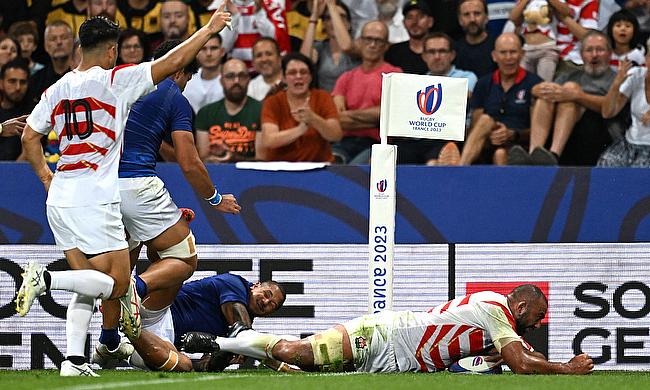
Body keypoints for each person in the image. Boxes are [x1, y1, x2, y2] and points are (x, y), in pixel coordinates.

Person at [17, 6, 232, 377]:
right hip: (95, 197)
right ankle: (44, 279)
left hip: (61, 196)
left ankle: (75, 360)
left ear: (79, 46)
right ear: (112, 50)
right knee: (117, 284)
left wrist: (46, 179)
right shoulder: (118, 81)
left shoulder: (56, 87)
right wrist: (209, 29)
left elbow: (29, 136)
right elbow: (175, 60)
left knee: (89, 282)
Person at [92, 38, 242, 366]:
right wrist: (214, 198)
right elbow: (189, 162)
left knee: (121, 265)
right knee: (184, 256)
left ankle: (107, 343)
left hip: (98, 186)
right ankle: (138, 288)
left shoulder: (119, 77)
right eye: (188, 77)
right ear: (178, 69)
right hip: (136, 183)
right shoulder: (174, 96)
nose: (186, 85)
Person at [181, 284, 594, 375]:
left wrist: (552, 362)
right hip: (383, 333)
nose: (537, 324)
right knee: (296, 353)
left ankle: (248, 363)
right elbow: (522, 363)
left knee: (305, 375)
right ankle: (222, 340)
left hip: (396, 362)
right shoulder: (494, 308)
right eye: (536, 317)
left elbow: (523, 355)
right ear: (520, 306)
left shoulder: (497, 316)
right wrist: (567, 370)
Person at [106, 273, 285, 372]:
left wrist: (222, 358)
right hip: (159, 312)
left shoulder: (236, 334)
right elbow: (240, 326)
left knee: (184, 366)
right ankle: (130, 287)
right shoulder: (235, 283)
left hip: (160, 342)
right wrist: (258, 351)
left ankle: (122, 341)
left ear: (268, 315)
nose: (266, 302)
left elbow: (205, 366)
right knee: (181, 268)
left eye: (272, 305)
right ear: (256, 285)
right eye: (267, 294)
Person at [508, 31, 615, 166]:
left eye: (600, 50)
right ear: (582, 55)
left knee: (570, 90)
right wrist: (536, 91)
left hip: (597, 131)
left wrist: (579, 96)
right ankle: (534, 154)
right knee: (546, 96)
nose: (594, 55)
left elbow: (612, 107)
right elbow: (550, 91)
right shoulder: (569, 75)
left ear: (610, 53)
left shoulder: (616, 79)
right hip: (565, 132)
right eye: (589, 50)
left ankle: (553, 155)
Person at [458, 32, 542, 166]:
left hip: (520, 147)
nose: (508, 58)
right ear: (494, 56)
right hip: (486, 144)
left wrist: (512, 134)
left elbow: (539, 130)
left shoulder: (534, 84)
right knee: (485, 120)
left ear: (522, 54)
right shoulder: (483, 84)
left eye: (513, 52)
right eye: (503, 53)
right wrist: (493, 133)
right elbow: (475, 127)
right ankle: (460, 169)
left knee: (500, 154)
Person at [400, 32, 477, 165]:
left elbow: (461, 100)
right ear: (424, 56)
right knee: (383, 160)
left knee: (433, 163)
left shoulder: (467, 77)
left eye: (442, 51)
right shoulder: (417, 81)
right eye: (431, 52)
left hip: (449, 136)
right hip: (418, 137)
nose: (437, 57)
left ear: (452, 55)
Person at [332, 20, 401, 164]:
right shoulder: (346, 77)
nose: (372, 44)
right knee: (329, 169)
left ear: (386, 46)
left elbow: (390, 115)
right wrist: (374, 121)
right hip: (344, 142)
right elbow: (337, 118)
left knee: (355, 171)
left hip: (378, 145)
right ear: (359, 42)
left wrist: (349, 115)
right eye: (368, 39)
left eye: (378, 40)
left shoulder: (395, 74)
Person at [261, 52, 342, 162]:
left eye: (303, 72)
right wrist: (301, 129)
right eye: (292, 73)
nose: (298, 76)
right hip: (281, 167)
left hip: (318, 166)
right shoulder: (273, 102)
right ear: (283, 78)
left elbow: (336, 135)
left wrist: (313, 119)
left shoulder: (323, 97)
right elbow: (269, 140)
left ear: (310, 77)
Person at [196, 58, 263, 163]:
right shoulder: (205, 113)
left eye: (241, 76)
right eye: (230, 76)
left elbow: (263, 160)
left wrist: (235, 159)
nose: (236, 81)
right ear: (221, 81)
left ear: (248, 79)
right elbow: (203, 158)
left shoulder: (261, 110)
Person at [599, 50, 650, 167]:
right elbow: (607, 112)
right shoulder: (636, 75)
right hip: (629, 144)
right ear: (646, 59)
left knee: (638, 175)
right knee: (605, 166)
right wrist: (616, 85)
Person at [300, 0, 359, 92]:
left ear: (349, 24)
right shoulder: (320, 47)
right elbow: (303, 61)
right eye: (328, 18)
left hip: (353, 102)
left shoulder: (358, 45)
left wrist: (331, 5)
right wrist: (314, 16)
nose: (333, 22)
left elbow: (346, 46)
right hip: (326, 103)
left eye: (341, 17)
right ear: (323, 24)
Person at [509, 0, 569, 82]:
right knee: (523, 85)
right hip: (527, 50)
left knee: (543, 86)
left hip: (547, 49)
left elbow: (566, 11)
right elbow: (513, 17)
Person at [27, 20, 75, 104]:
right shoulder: (35, 81)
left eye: (64, 37)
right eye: (53, 39)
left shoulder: (85, 77)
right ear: (45, 45)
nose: (59, 42)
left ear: (73, 41)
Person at [384, 0, 433, 75]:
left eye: (420, 17)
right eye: (410, 17)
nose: (415, 22)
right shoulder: (393, 52)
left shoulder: (439, 51)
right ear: (404, 23)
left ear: (430, 21)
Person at [183, 34, 225, 114]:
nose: (208, 53)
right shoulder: (187, 81)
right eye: (203, 49)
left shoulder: (232, 80)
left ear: (222, 51)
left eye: (214, 48)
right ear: (196, 52)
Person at [454, 0, 496, 79]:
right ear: (460, 20)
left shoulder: (497, 47)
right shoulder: (454, 50)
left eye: (477, 13)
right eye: (466, 14)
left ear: (486, 17)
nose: (472, 19)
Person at [0, 59, 33, 161]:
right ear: (1, 83)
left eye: (23, 82)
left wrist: (9, 173)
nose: (18, 87)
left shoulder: (33, 113)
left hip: (17, 173)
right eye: (12, 81)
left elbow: (28, 153)